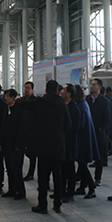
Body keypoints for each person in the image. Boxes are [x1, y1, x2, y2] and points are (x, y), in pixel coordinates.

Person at [20, 80, 71, 214]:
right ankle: (58, 204)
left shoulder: (40, 102)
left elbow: (25, 105)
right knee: (58, 176)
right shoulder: (62, 104)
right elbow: (68, 125)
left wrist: (18, 99)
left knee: (43, 176)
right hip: (57, 145)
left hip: (42, 145)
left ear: (46, 90)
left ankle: (42, 204)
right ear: (57, 90)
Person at [0, 89, 27, 200]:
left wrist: (18, 145)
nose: (5, 98)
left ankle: (20, 191)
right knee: (9, 168)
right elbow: (3, 127)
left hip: (16, 146)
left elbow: (22, 129)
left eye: (7, 96)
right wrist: (1, 143)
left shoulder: (20, 110)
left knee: (16, 169)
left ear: (13, 98)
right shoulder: (7, 109)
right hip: (7, 144)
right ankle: (12, 189)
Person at [74, 84, 99, 199]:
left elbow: (80, 124)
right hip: (84, 139)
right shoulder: (83, 104)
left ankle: (91, 188)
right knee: (82, 165)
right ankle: (82, 187)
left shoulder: (81, 106)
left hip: (83, 141)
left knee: (83, 166)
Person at [86, 78, 111, 185]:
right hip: (88, 131)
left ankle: (97, 178)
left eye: (94, 85)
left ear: (99, 87)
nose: (92, 86)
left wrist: (101, 129)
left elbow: (107, 118)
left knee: (99, 156)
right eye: (91, 84)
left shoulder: (104, 101)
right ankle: (82, 177)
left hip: (99, 132)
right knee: (85, 155)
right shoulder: (87, 99)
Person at [60, 84, 80, 203]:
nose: (61, 91)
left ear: (68, 94)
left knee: (69, 168)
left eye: (63, 90)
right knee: (62, 168)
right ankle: (61, 191)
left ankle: (70, 192)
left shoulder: (74, 108)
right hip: (62, 142)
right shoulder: (64, 105)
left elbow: (74, 128)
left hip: (69, 143)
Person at [22, 81, 37, 181]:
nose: (26, 90)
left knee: (32, 154)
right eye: (25, 88)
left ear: (32, 90)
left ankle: (31, 173)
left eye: (28, 88)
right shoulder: (22, 101)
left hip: (32, 131)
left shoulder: (34, 101)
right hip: (23, 130)